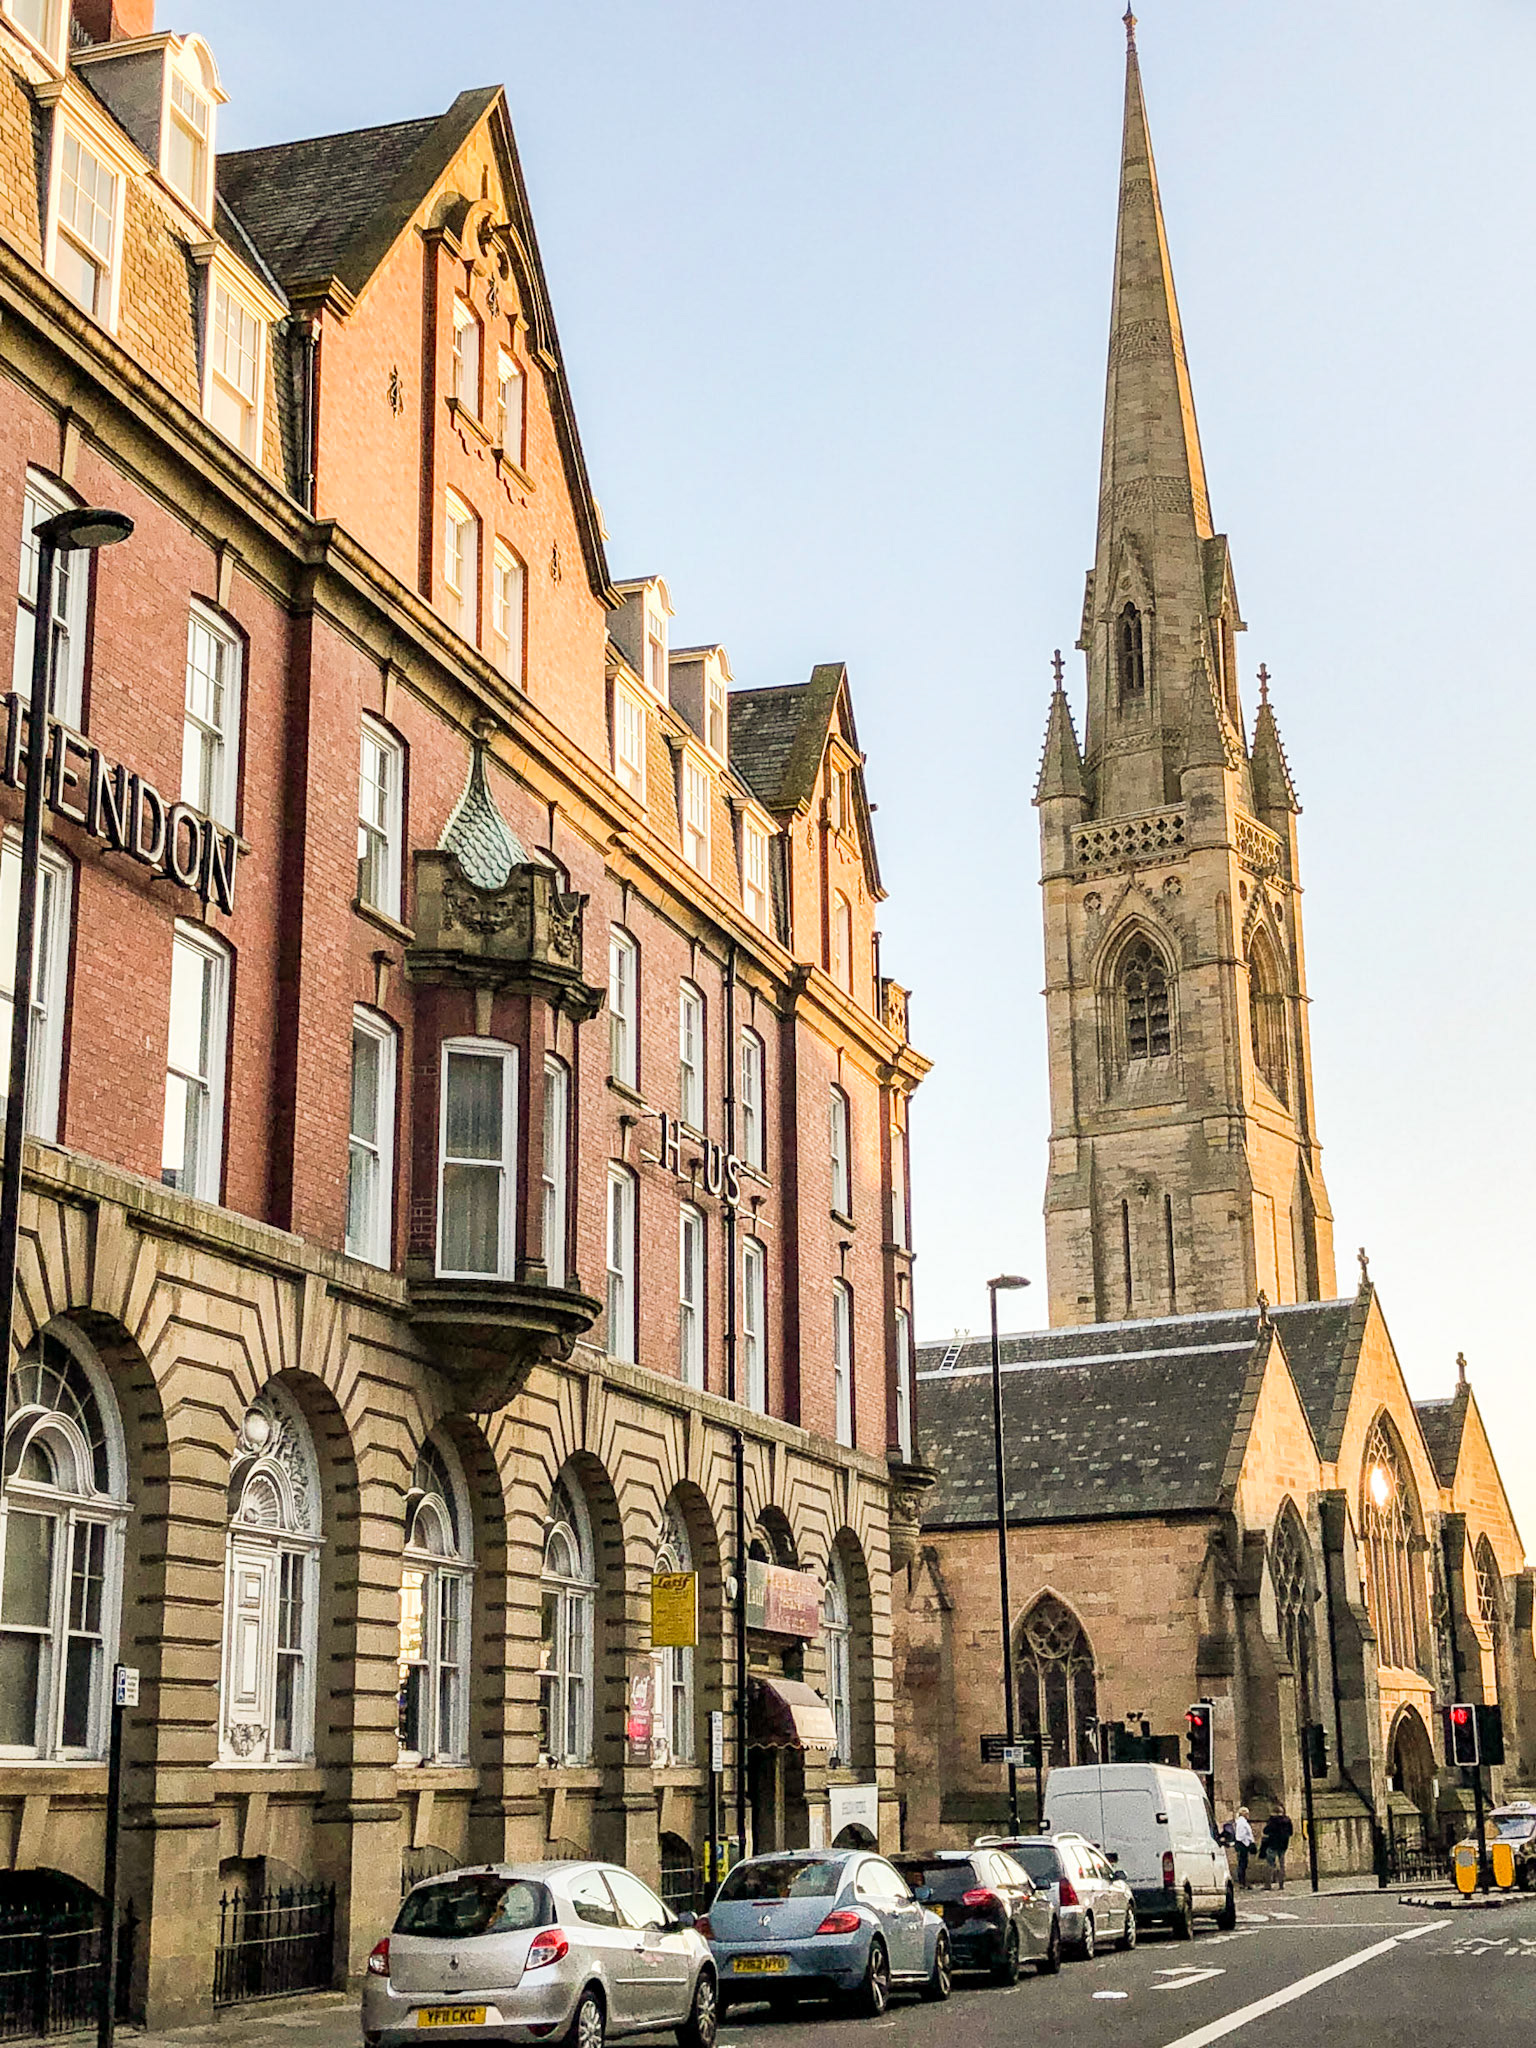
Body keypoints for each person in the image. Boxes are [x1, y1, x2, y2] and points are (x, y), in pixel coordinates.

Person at [1261, 1807, 1294, 1889]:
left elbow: (1265, 1831)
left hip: (1272, 1845)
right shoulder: (1287, 1820)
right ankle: (1281, 1884)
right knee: (1282, 1864)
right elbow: (1291, 1832)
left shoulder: (1272, 1821)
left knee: (1270, 1864)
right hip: (1283, 1845)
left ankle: (1268, 1884)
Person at [1233, 1807, 1255, 1888]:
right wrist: (1248, 1842)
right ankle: (1242, 1882)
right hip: (1243, 1844)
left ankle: (1243, 1881)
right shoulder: (1242, 1822)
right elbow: (1241, 1835)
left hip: (1243, 1844)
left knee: (1243, 1863)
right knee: (1242, 1863)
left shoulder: (1242, 1821)